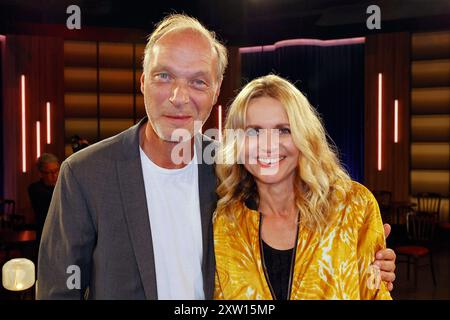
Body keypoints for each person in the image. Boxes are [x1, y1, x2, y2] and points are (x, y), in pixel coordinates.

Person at [37, 14, 395, 300]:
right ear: (143, 80)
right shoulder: (85, 174)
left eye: (197, 81)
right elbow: (57, 291)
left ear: (216, 91)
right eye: (164, 76)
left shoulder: (228, 168)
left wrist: (362, 259)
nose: (179, 96)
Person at [214, 74, 392, 299]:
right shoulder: (224, 222)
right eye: (254, 131)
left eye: (283, 130)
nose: (268, 145)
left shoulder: (354, 206)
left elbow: (376, 292)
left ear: (304, 137)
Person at [28, 153, 60, 245]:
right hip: (46, 234)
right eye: (49, 172)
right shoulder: (35, 188)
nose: (54, 175)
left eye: (56, 171)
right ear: (40, 173)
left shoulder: (63, 187)